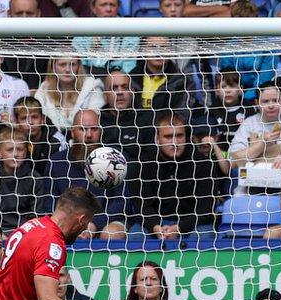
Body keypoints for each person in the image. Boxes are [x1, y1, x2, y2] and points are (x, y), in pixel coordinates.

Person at [45, 108, 133, 239]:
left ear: (101, 132)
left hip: (109, 221)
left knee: (110, 234)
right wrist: (73, 224)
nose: (89, 135)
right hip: (68, 222)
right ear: (73, 133)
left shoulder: (115, 159)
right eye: (83, 129)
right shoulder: (56, 162)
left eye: (94, 129)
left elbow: (122, 201)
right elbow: (50, 202)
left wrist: (94, 224)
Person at [139, 112, 222, 242]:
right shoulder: (145, 164)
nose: (175, 142)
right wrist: (155, 227)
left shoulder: (203, 163)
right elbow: (142, 206)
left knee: (204, 235)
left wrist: (179, 228)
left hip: (193, 223)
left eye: (179, 136)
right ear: (157, 139)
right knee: (136, 236)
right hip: (156, 222)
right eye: (168, 137)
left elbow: (207, 210)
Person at [228, 84, 281, 194]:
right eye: (265, 101)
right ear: (257, 103)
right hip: (251, 186)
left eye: (275, 100)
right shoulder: (249, 123)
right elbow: (234, 160)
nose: (271, 105)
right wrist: (262, 145)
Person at [0, 126, 43, 234]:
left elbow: (37, 217)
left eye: (20, 149)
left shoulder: (35, 178)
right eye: (9, 150)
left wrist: (20, 235)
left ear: (25, 153)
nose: (16, 154)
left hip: (26, 233)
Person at [34, 57, 105, 132]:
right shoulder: (43, 90)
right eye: (62, 65)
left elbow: (95, 125)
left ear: (78, 67)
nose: (68, 70)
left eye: (73, 65)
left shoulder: (93, 87)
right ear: (53, 66)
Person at [71, 0, 139, 76]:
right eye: (103, 5)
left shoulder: (130, 34)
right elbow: (80, 68)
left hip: (118, 83)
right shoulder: (82, 33)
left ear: (118, 7)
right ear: (93, 8)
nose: (108, 9)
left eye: (112, 5)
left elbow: (128, 70)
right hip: (87, 83)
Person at [101, 70, 155, 163]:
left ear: (132, 92)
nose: (120, 92)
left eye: (125, 87)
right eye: (114, 88)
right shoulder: (97, 122)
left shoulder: (147, 120)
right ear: (105, 94)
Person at [11, 96, 68, 179]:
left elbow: (62, 175)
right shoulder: (12, 141)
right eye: (24, 118)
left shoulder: (56, 141)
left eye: (34, 117)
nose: (30, 122)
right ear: (16, 122)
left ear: (42, 119)